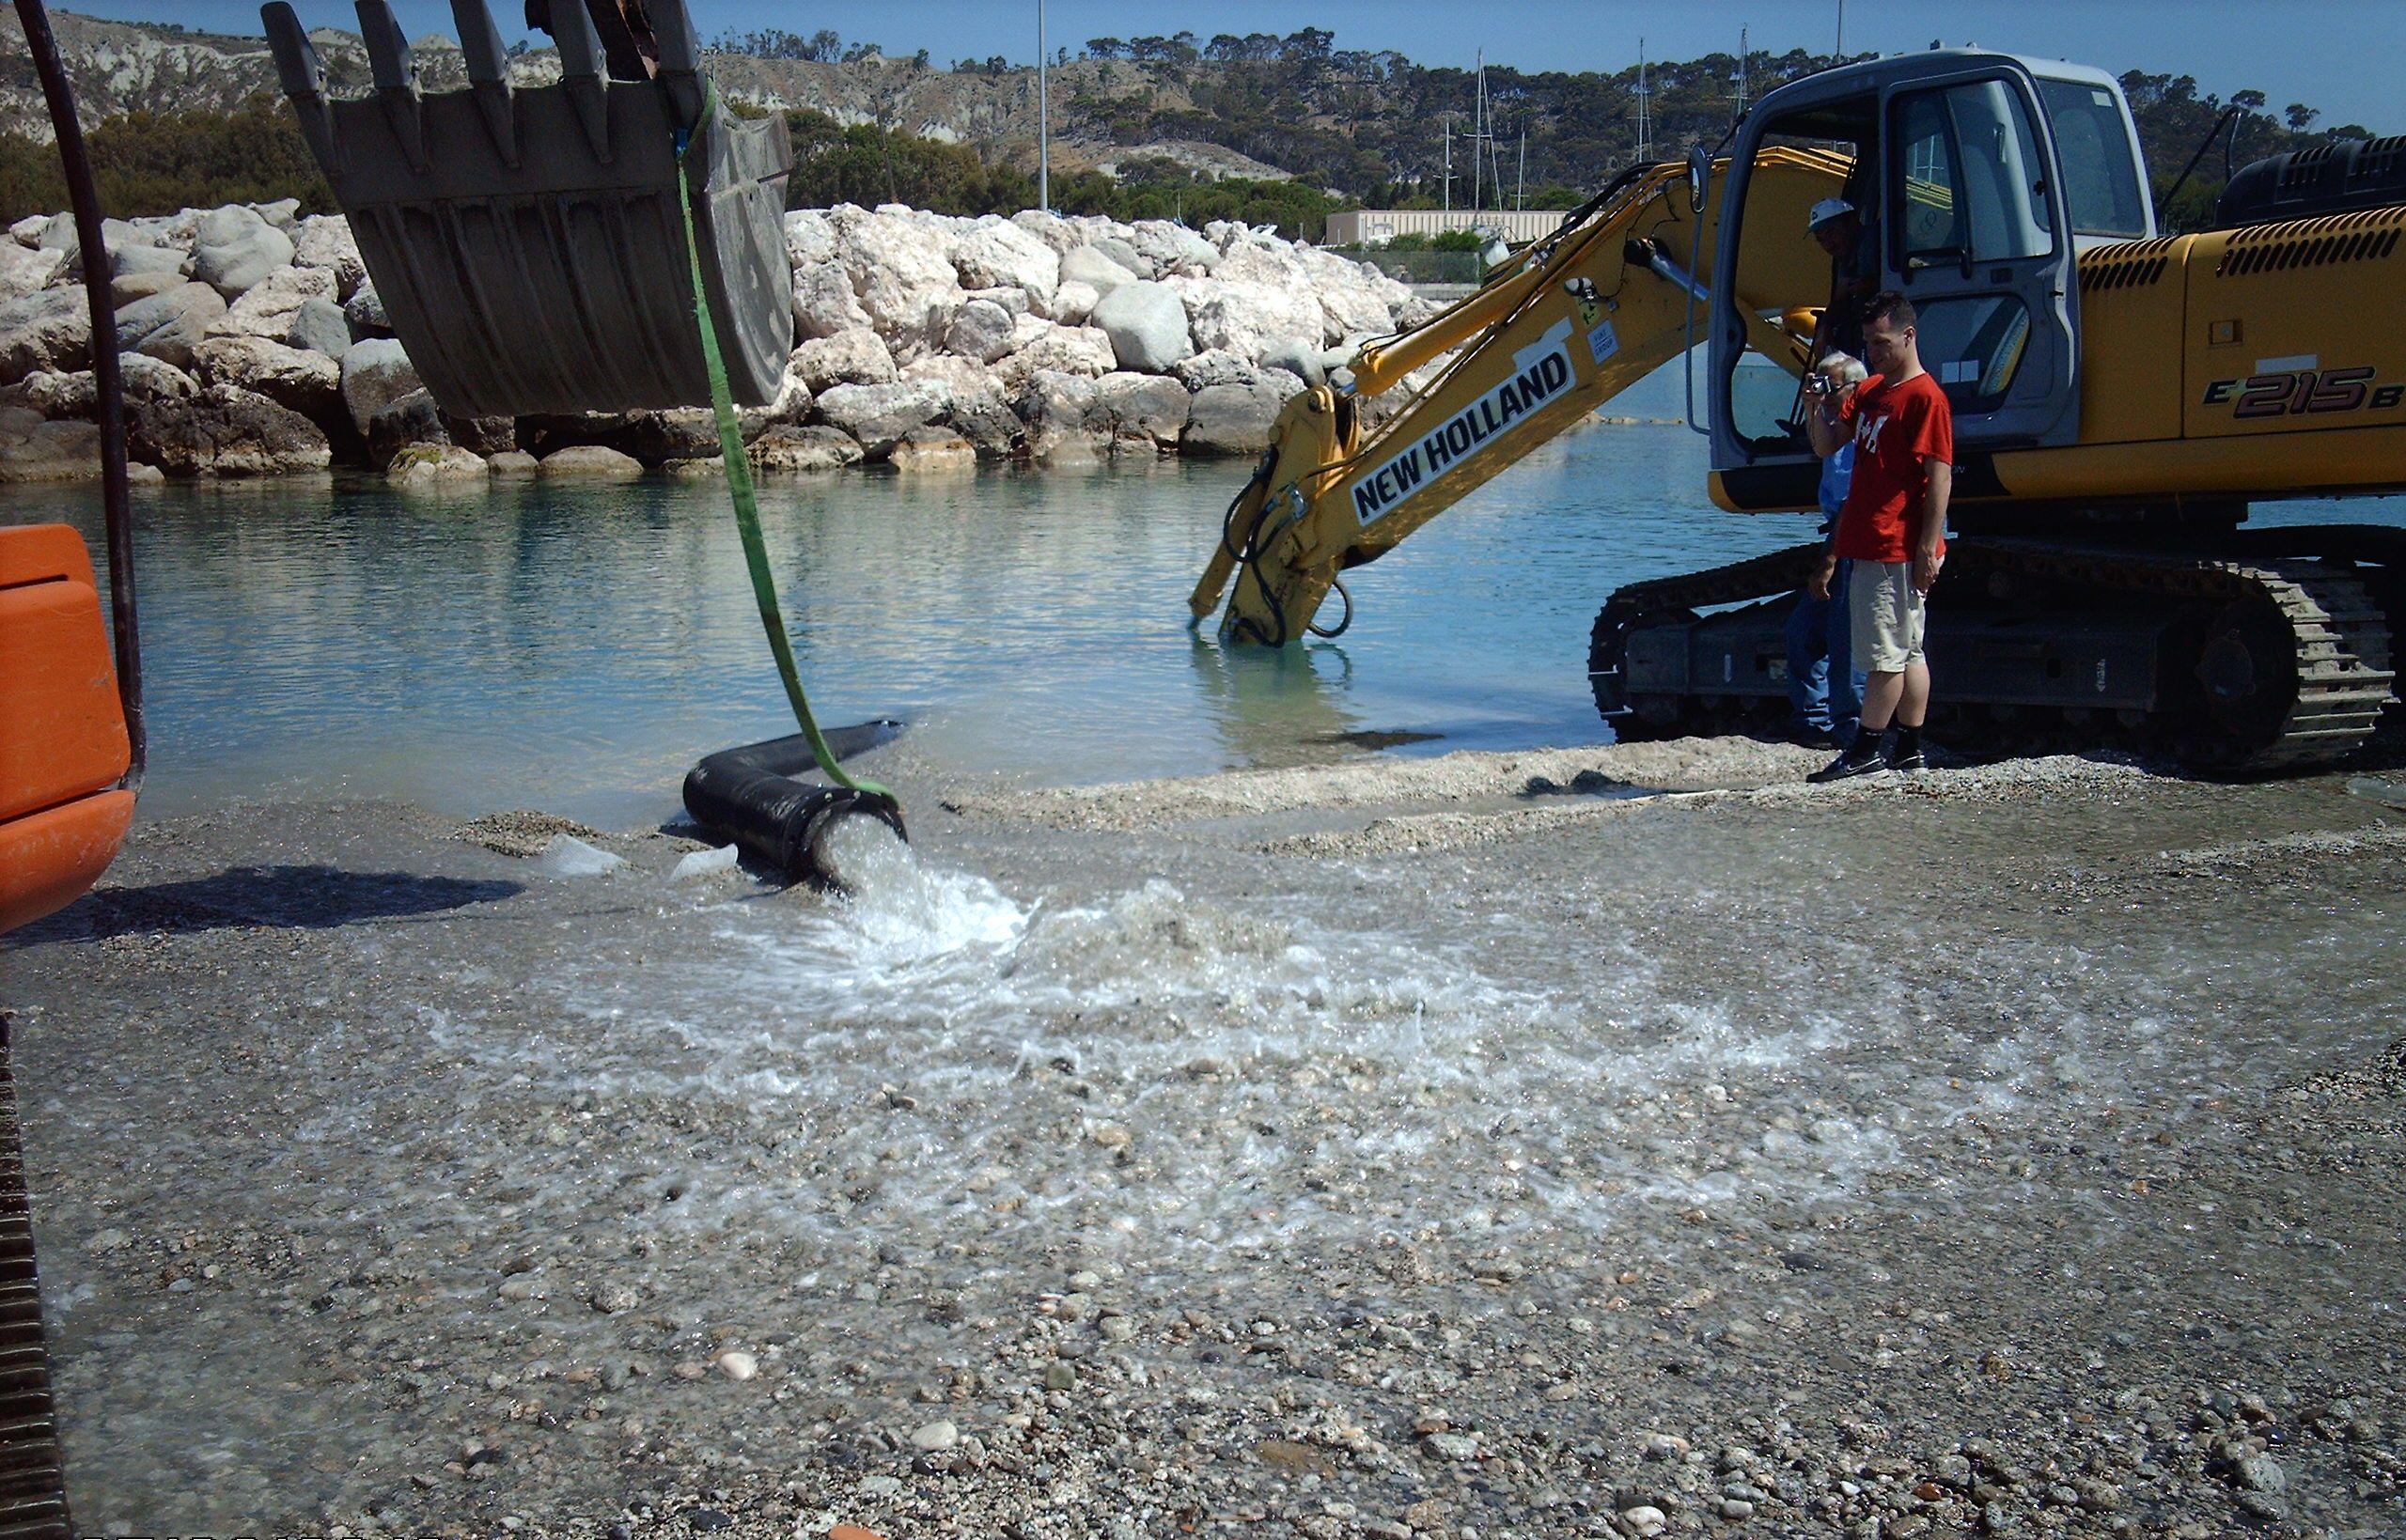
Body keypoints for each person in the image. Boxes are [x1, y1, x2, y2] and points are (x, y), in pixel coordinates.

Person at [1803, 290, 1953, 781]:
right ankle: (1909, 747)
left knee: (1885, 652)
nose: (1873, 352)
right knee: (1908, 648)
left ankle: (1865, 748)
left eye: (1882, 342)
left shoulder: (1925, 397)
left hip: (1894, 543)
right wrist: (1815, 407)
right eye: (1868, 343)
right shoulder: (1871, 392)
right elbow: (1828, 445)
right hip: (1868, 539)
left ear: (1908, 336)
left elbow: (1939, 476)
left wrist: (1928, 546)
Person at [1785, 350, 1868, 749]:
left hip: (1851, 535)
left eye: (1830, 386)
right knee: (1804, 630)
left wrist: (1829, 561)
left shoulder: (1861, 432)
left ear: (1854, 386)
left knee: (1845, 636)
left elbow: (1854, 501)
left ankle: (1851, 727)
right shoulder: (1832, 427)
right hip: (1836, 531)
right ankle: (1812, 719)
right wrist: (1811, 407)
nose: (1824, 392)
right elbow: (1819, 447)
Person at [1808, 197, 1879, 362]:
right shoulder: (1845, 258)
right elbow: (1841, 299)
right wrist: (1824, 329)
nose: (1828, 244)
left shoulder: (1873, 243)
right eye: (1821, 240)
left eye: (1831, 233)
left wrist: (1874, 285)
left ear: (1852, 222)